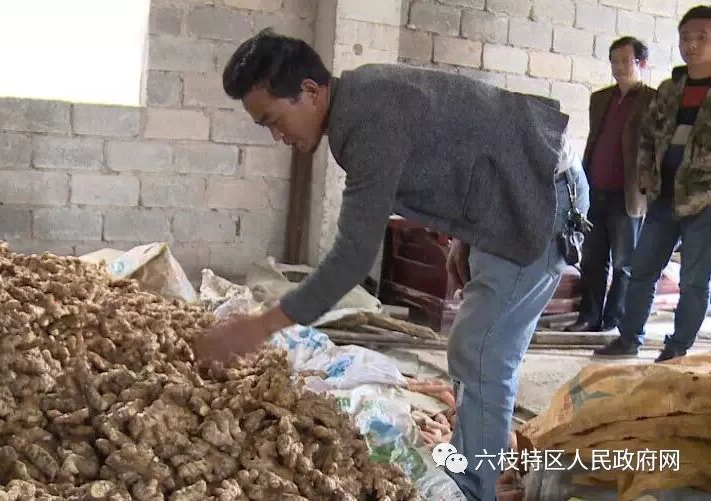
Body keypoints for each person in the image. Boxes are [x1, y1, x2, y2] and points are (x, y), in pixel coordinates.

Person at [198, 28, 589, 501]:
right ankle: (473, 464)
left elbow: (352, 256)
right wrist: (463, 236)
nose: (279, 136)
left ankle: (471, 489)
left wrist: (261, 326)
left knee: (481, 350)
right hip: (507, 195)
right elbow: (459, 147)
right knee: (476, 346)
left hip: (537, 197)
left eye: (275, 121)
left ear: (309, 90)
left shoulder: (367, 121)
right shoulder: (357, 101)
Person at [595, 5, 711, 362]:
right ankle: (629, 337)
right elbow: (646, 134)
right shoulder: (669, 89)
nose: (691, 45)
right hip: (663, 199)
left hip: (703, 202)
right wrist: (646, 177)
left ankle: (676, 349)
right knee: (640, 270)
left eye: (702, 38)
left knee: (693, 282)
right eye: (685, 37)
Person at [564, 37, 656, 333]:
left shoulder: (653, 101)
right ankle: (588, 317)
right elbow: (594, 141)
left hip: (628, 195)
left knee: (624, 264)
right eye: (614, 61)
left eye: (625, 61)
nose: (618, 68)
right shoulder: (601, 98)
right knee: (592, 261)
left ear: (642, 63)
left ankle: (613, 319)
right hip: (595, 191)